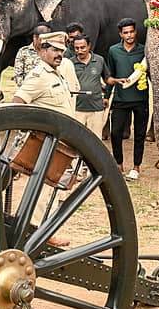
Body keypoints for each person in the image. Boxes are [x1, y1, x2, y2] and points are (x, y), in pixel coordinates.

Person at [11, 31, 79, 247]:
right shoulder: (39, 76)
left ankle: (40, 230)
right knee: (43, 190)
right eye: (54, 50)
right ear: (42, 50)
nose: (59, 54)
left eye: (61, 50)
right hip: (46, 142)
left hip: (60, 144)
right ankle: (37, 233)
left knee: (49, 190)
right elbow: (17, 104)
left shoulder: (56, 73)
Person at [105, 18, 150, 181]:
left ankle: (136, 167)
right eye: (126, 33)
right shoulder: (113, 51)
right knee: (115, 133)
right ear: (120, 34)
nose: (129, 35)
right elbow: (111, 75)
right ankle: (119, 164)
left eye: (132, 31)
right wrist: (106, 96)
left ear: (136, 32)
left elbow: (150, 74)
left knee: (139, 135)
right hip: (120, 99)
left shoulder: (144, 51)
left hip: (140, 99)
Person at [71, 35, 109, 139]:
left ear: (89, 46)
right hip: (77, 109)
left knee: (95, 140)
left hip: (96, 108)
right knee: (77, 141)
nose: (80, 51)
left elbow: (108, 79)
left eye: (83, 47)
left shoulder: (99, 60)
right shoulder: (69, 63)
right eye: (76, 48)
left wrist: (106, 96)